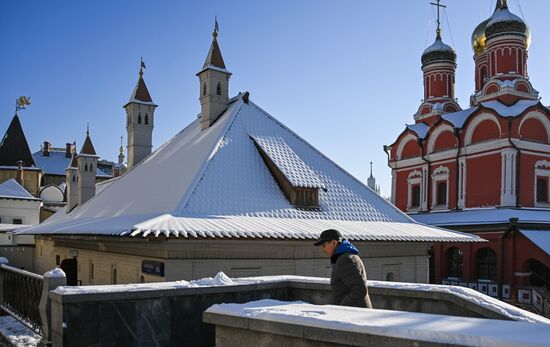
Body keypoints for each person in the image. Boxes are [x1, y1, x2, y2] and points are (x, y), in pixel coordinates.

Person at [314, 229, 372, 308]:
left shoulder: (345, 259)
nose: (323, 249)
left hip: (354, 314)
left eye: (324, 245)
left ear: (334, 242)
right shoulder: (346, 256)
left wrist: (342, 308)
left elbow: (359, 289)